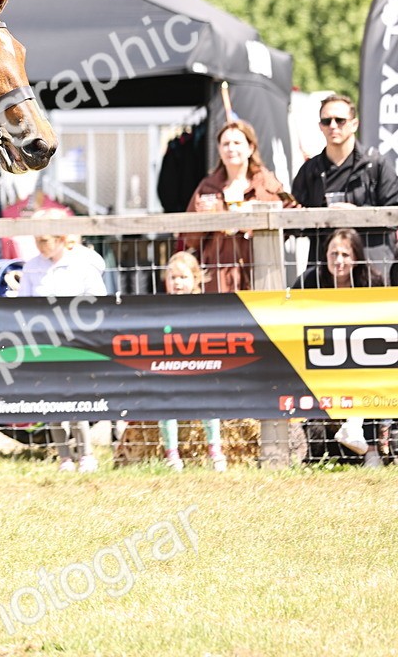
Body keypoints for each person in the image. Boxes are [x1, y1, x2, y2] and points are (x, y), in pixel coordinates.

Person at [14, 208, 107, 472]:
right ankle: (64, 455)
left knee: (77, 395)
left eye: (44, 240)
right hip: (44, 342)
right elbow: (23, 305)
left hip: (76, 341)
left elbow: (97, 298)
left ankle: (86, 453)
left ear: (59, 237)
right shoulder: (32, 267)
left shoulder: (81, 264)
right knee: (51, 397)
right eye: (36, 240)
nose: (39, 245)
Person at [293, 228, 386, 467]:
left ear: (356, 257)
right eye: (334, 254)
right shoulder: (309, 280)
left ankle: (371, 448)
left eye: (345, 254)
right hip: (320, 357)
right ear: (325, 255)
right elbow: (289, 313)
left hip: (364, 357)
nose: (339, 260)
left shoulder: (373, 282)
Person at [179, 119, 296, 292]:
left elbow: (291, 219)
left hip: (260, 273)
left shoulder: (267, 183)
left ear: (251, 148)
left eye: (237, 142)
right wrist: (201, 220)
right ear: (219, 149)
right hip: (216, 278)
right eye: (225, 144)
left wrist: (255, 222)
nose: (231, 148)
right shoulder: (207, 187)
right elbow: (189, 240)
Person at [291, 93, 398, 282]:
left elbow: (394, 215)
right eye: (326, 121)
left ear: (354, 124)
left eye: (340, 120)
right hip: (326, 274)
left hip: (372, 272)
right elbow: (294, 220)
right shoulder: (310, 170)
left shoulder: (376, 164)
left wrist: (357, 214)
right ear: (320, 127)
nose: (333, 126)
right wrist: (322, 216)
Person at [157, 251, 227, 472]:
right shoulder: (158, 308)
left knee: (208, 403)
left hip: (199, 365)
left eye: (183, 277)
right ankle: (172, 454)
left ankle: (215, 450)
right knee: (165, 404)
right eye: (173, 277)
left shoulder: (204, 307)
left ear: (196, 279)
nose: (177, 283)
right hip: (169, 366)